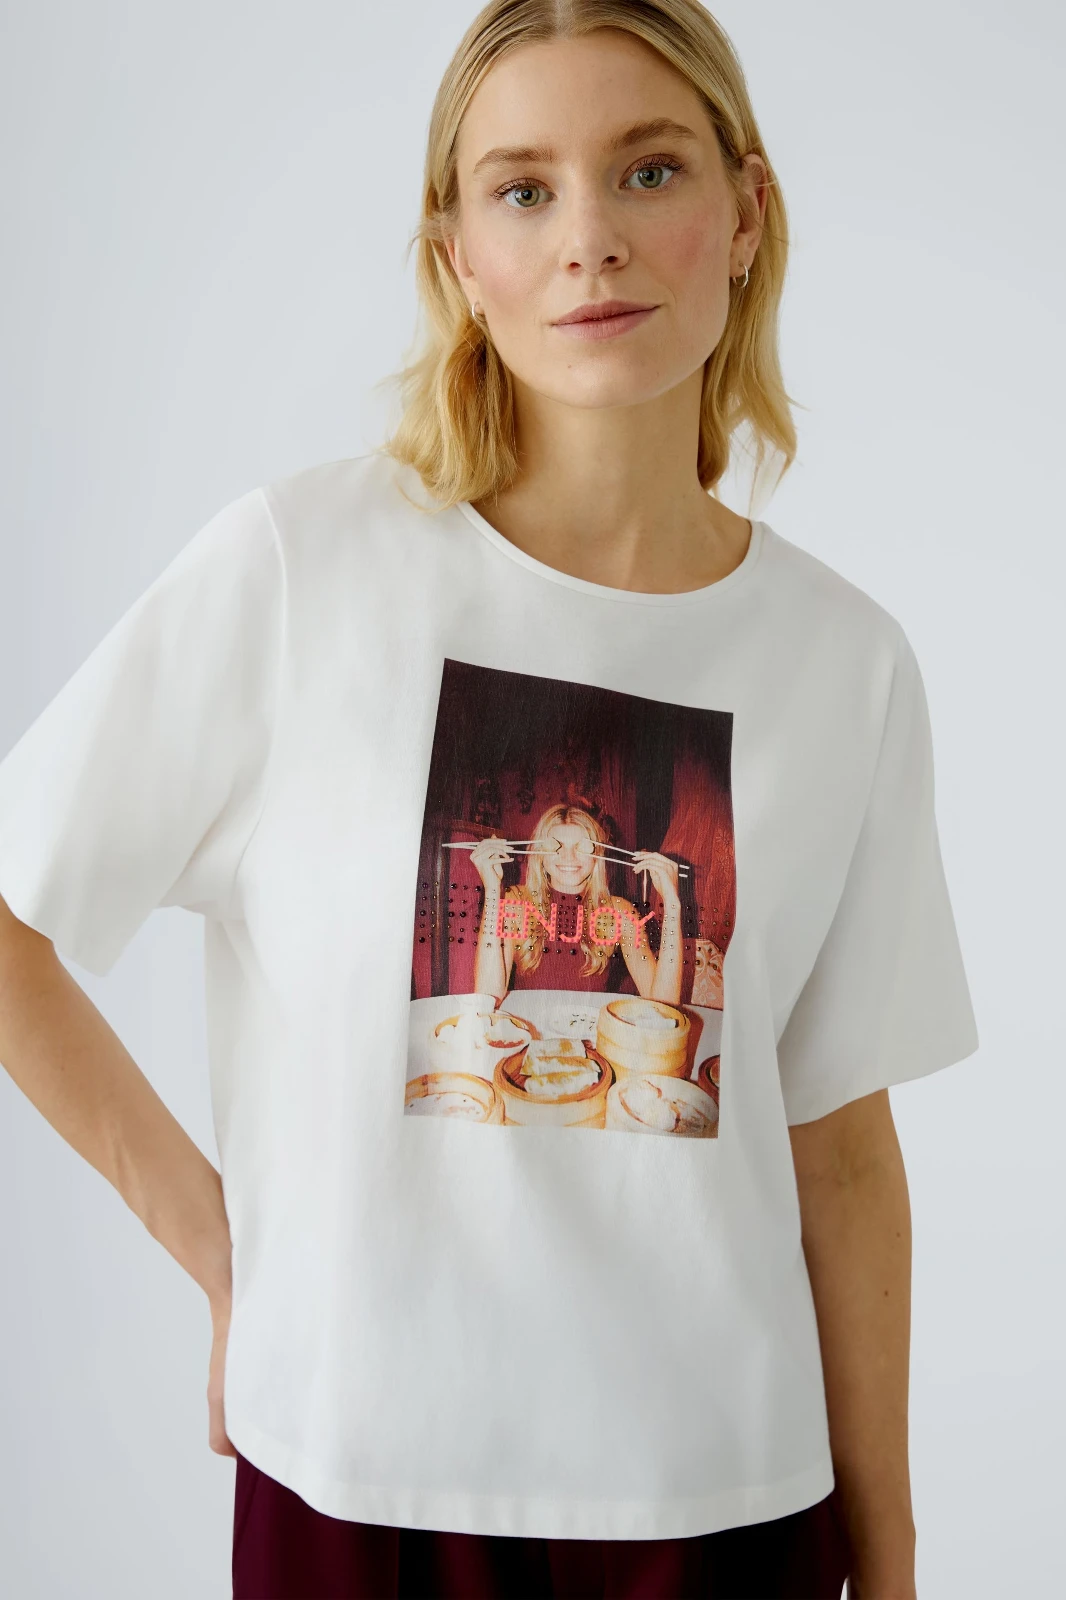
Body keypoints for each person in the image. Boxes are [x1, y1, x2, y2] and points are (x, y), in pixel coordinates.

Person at [0, 2, 980, 1597]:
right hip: (360, 1491)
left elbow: (842, 1148)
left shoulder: (842, 663)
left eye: (647, 170)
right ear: (457, 254)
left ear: (745, 213)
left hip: (724, 1505)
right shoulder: (302, 573)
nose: (589, 237)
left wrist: (893, 1553)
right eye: (523, 189)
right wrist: (223, 1252)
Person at [469, 802, 684, 1002]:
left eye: (581, 847)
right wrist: (493, 890)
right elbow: (488, 996)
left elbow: (662, 1002)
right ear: (541, 854)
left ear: (597, 855)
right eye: (557, 846)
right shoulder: (516, 902)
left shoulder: (619, 912)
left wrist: (672, 905)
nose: (569, 857)